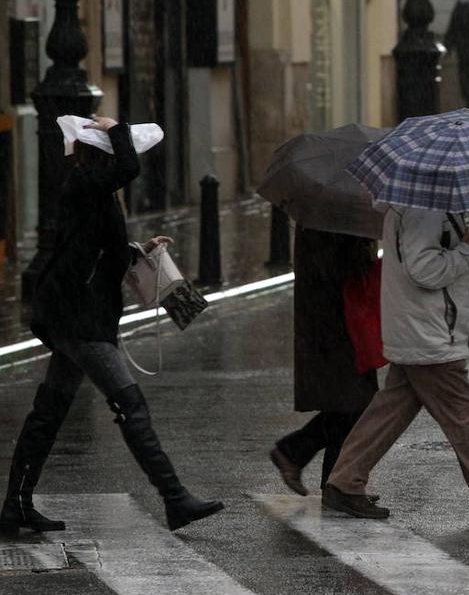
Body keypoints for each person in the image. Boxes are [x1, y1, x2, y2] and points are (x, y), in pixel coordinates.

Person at [0, 116, 222, 537]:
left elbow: (91, 244)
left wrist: (138, 250)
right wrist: (118, 128)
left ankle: (16, 505)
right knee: (131, 407)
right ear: (102, 154)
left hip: (73, 316)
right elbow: (129, 169)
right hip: (81, 320)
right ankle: (175, 499)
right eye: (115, 149)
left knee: (48, 411)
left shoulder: (91, 190)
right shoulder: (86, 183)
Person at [321, 207, 469, 524]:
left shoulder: (421, 206)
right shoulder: (423, 211)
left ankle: (345, 480)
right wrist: (467, 251)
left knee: (392, 407)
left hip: (421, 326)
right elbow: (423, 269)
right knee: (462, 409)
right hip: (428, 331)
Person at [270, 228, 379, 496]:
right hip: (335, 321)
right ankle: (331, 479)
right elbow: (336, 268)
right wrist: (364, 248)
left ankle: (326, 474)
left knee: (349, 404)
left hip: (339, 317)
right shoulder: (330, 220)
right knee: (354, 403)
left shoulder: (333, 214)